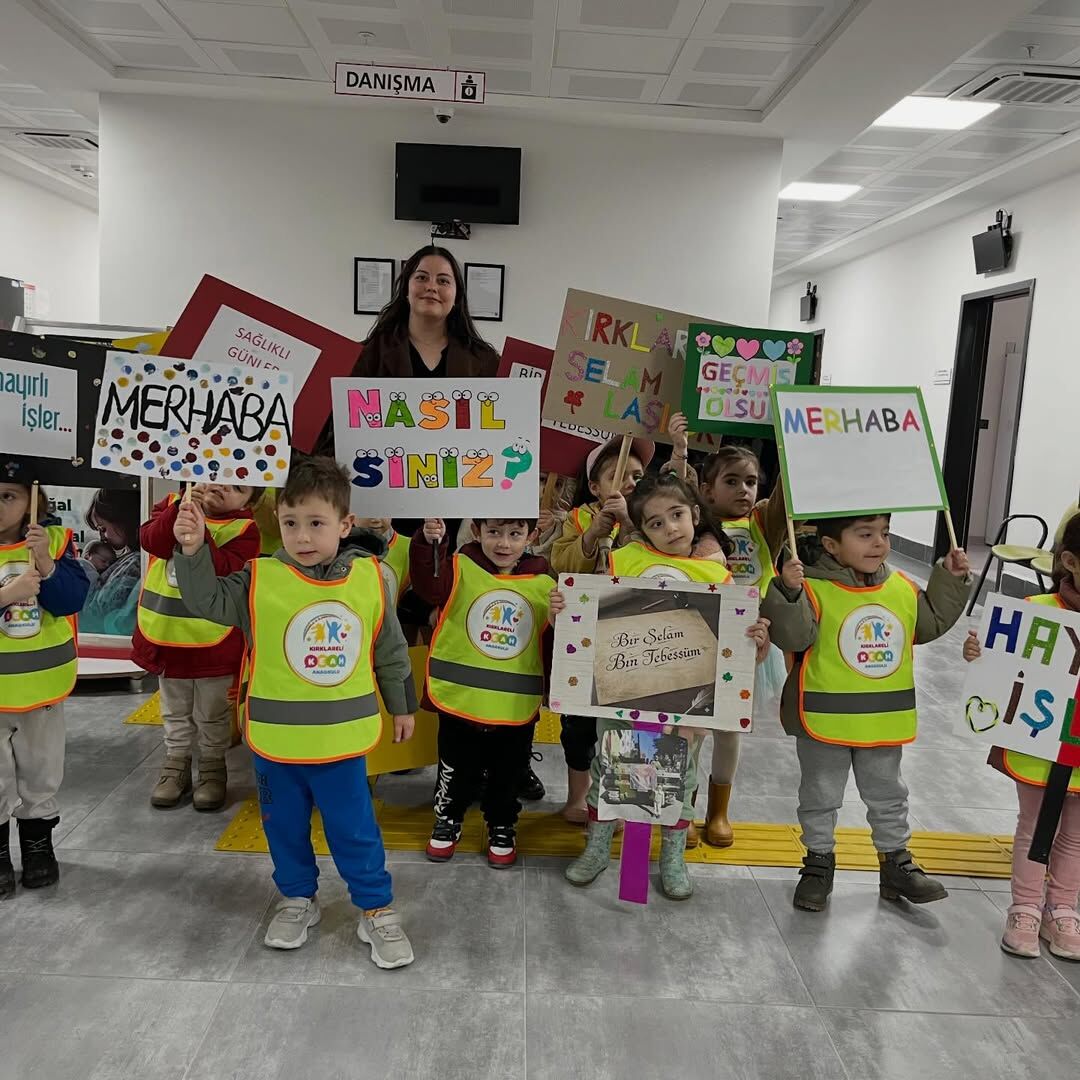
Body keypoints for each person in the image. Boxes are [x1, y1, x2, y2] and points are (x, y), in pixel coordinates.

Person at [171, 457, 418, 969]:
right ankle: (297, 898)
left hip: (339, 742)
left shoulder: (370, 579)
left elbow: (389, 648)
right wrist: (193, 550)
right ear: (277, 521)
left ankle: (376, 907)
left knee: (354, 828)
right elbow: (207, 602)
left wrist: (402, 705)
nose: (302, 536)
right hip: (275, 742)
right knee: (282, 824)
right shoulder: (258, 579)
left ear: (345, 525)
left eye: (316, 523)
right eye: (290, 523)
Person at [563, 472, 770, 900]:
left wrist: (756, 641)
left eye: (676, 515)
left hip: (685, 704)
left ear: (695, 514)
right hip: (623, 695)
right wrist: (564, 610)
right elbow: (590, 621)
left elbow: (734, 645)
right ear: (643, 530)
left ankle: (672, 856)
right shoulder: (626, 561)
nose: (670, 528)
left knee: (678, 777)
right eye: (656, 523)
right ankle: (598, 847)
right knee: (609, 772)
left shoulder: (718, 576)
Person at [762, 514, 971, 912]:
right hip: (824, 721)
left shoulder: (902, 588)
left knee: (889, 794)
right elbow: (792, 636)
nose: (879, 544)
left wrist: (950, 577)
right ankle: (818, 864)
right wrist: (788, 593)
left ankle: (896, 862)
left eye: (885, 534)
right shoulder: (812, 589)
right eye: (865, 535)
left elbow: (928, 624)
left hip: (882, 720)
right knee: (820, 795)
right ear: (831, 546)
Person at [963, 511, 1080, 961]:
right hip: (1039, 744)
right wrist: (978, 652)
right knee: (1035, 827)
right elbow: (996, 665)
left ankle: (1063, 909)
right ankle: (1026, 908)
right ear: (1069, 560)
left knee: (1075, 834)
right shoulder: (1035, 612)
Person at [411, 516, 554, 868]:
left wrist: (562, 618)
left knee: (509, 770)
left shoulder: (544, 581)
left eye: (515, 534)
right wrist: (430, 543)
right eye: (494, 532)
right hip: (461, 699)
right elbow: (429, 588)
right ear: (477, 531)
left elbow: (551, 638)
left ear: (531, 536)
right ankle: (448, 819)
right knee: (456, 767)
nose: (504, 543)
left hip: (514, 703)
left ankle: (502, 824)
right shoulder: (459, 566)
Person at [134, 483, 261, 811]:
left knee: (213, 712)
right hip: (169, 635)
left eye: (237, 486)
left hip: (215, 644)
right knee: (174, 709)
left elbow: (225, 572)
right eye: (213, 473)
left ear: (252, 500)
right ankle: (176, 763)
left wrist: (197, 536)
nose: (220, 486)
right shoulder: (174, 504)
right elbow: (152, 541)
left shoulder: (246, 531)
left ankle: (212, 767)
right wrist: (181, 510)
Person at [549, 436, 653, 824]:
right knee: (577, 725)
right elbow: (561, 565)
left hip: (631, 638)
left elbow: (653, 563)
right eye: (617, 475)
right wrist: (593, 532)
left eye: (638, 475)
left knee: (627, 721)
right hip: (581, 638)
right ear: (594, 486)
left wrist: (628, 523)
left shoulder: (649, 520)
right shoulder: (574, 520)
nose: (630, 483)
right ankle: (578, 797)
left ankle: (624, 798)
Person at [694, 435, 791, 848]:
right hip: (699, 639)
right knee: (693, 729)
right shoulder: (695, 524)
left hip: (748, 641)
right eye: (731, 482)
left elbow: (786, 499)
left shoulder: (763, 524)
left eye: (751, 482)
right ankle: (684, 806)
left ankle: (718, 812)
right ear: (706, 490)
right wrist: (680, 450)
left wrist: (791, 444)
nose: (744, 491)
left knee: (729, 730)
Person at [0, 460, 89, 898]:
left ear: (33, 500)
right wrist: (6, 596)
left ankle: (38, 845)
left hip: (41, 693)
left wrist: (45, 563)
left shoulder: (55, 540)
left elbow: (73, 598)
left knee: (40, 772)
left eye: (8, 496)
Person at [80, 488, 142, 637]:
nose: (102, 537)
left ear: (123, 521)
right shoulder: (131, 560)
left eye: (103, 528)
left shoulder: (137, 563)